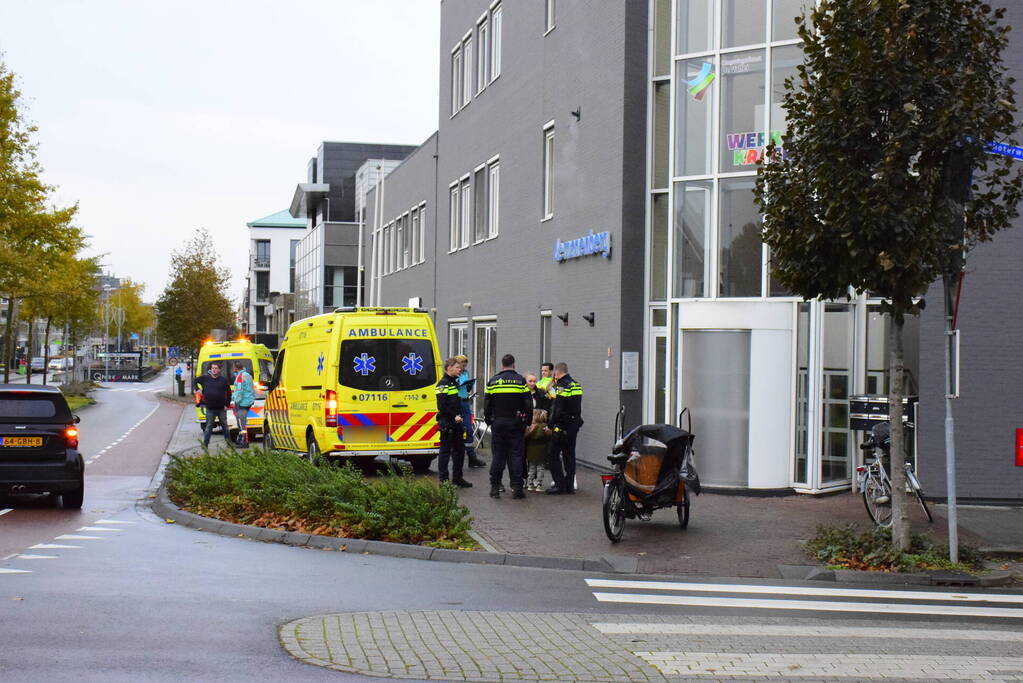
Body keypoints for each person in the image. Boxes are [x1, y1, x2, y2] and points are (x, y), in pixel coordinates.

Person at [483, 353, 531, 499]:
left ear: (502, 365)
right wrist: (527, 421)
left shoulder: (492, 381)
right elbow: (528, 404)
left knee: (498, 455)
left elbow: (486, 404)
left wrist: (488, 420)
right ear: (513, 364)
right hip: (516, 424)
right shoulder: (520, 381)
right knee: (516, 455)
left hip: (498, 423)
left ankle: (495, 487)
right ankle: (517, 488)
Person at [546, 362, 584, 495]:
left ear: (557, 373)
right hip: (573, 426)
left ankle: (559, 484)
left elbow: (557, 409)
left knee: (552, 455)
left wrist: (550, 425)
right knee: (570, 455)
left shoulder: (562, 387)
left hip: (561, 427)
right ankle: (569, 485)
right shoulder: (576, 384)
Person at [435, 357, 473, 488]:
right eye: (457, 367)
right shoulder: (442, 384)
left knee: (460, 451)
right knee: (445, 451)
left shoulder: (454, 382)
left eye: (460, 367)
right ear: (449, 368)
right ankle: (444, 480)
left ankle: (458, 478)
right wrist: (454, 416)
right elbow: (441, 406)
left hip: (457, 423)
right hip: (447, 423)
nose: (460, 369)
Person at [454, 355, 486, 468]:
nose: (463, 367)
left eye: (465, 365)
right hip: (457, 402)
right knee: (459, 430)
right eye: (462, 365)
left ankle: (472, 458)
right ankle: (460, 458)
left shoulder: (465, 373)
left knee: (468, 429)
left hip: (465, 402)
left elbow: (467, 388)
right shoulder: (454, 375)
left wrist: (469, 385)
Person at [195, 362, 233, 449]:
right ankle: (205, 444)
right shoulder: (205, 378)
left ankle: (229, 444)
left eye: (216, 368)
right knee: (208, 427)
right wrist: (198, 389)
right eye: (212, 368)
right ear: (210, 369)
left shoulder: (223, 380)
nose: (214, 370)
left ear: (219, 370)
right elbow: (195, 381)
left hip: (221, 408)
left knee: (225, 427)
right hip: (210, 408)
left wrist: (227, 404)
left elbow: (229, 393)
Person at [524, 408, 551, 492]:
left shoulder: (531, 427)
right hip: (542, 451)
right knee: (540, 468)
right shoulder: (544, 427)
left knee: (531, 468)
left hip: (531, 451)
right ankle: (539, 484)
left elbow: (527, 437)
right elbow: (547, 437)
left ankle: (530, 484)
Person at [232, 361, 256, 448]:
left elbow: (239, 391)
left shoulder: (240, 377)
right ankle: (242, 440)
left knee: (242, 423)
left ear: (235, 368)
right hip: (248, 401)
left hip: (242, 402)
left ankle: (244, 442)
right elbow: (252, 388)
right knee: (243, 422)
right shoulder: (248, 375)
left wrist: (236, 402)